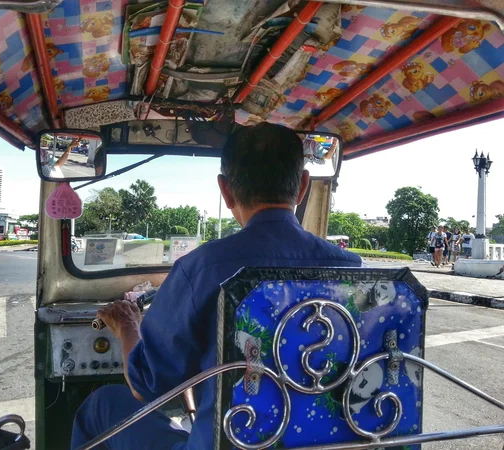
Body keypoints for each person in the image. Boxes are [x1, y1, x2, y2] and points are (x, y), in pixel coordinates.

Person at [71, 122, 362, 450]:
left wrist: (126, 324)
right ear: (303, 186)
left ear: (225, 191)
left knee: (103, 404)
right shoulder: (353, 270)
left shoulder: (202, 269)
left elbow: (147, 384)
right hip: (326, 443)